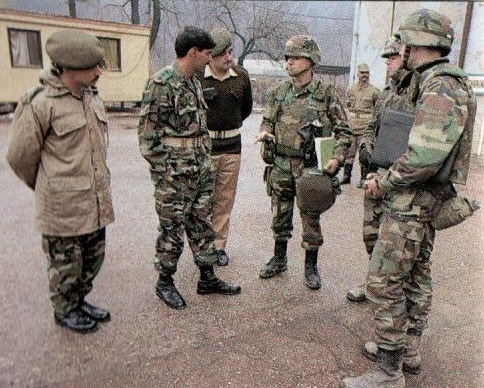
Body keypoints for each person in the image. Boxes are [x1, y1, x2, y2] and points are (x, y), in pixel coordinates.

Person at [343, 9, 476, 388]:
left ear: (418, 42)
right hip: (419, 200)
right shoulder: (428, 81)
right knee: (415, 277)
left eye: (403, 41)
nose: (398, 48)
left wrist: (383, 183)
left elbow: (425, 155)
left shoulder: (441, 85)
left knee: (384, 282)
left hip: (411, 202)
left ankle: (388, 371)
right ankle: (407, 351)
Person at [6, 30, 114, 333]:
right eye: (93, 66)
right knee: (66, 267)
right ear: (69, 68)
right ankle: (64, 310)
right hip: (62, 208)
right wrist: (49, 188)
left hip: (94, 202)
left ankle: (79, 301)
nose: (99, 71)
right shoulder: (40, 104)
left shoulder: (91, 97)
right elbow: (19, 158)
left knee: (92, 261)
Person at [138, 26, 241, 310]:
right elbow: (148, 139)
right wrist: (166, 173)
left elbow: (199, 130)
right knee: (171, 228)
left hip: (199, 170)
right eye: (208, 53)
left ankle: (207, 278)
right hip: (174, 175)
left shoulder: (194, 82)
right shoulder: (161, 84)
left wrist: (204, 162)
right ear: (193, 52)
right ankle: (165, 282)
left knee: (201, 224)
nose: (210, 58)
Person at [256, 35, 352, 290]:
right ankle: (279, 259)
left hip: (310, 167)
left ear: (311, 61)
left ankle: (310, 265)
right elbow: (267, 120)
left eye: (295, 57)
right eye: (287, 57)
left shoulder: (326, 94)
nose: (289, 62)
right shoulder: (278, 93)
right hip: (280, 164)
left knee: (310, 218)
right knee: (279, 215)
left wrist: (337, 158)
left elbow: (345, 132)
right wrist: (265, 131)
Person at [345, 36, 410, 303]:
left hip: (403, 180)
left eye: (392, 57)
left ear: (407, 57)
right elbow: (373, 125)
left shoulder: (418, 96)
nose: (387, 62)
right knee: (371, 235)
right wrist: (366, 147)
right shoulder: (385, 94)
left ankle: (394, 291)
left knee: (397, 245)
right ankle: (372, 283)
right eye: (386, 57)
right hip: (377, 175)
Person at [199, 27, 253, 266]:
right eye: (223, 54)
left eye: (230, 52)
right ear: (210, 56)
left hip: (232, 147)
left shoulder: (241, 76)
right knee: (202, 201)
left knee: (224, 201)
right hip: (206, 147)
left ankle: (219, 246)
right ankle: (202, 246)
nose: (228, 58)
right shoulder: (199, 77)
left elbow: (246, 109)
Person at [341, 63, 380, 187]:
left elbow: (378, 109)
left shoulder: (374, 91)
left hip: (365, 127)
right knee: (349, 152)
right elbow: (347, 105)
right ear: (357, 74)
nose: (364, 75)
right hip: (352, 125)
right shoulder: (350, 89)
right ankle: (346, 176)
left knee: (364, 153)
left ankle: (363, 178)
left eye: (367, 73)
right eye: (362, 73)